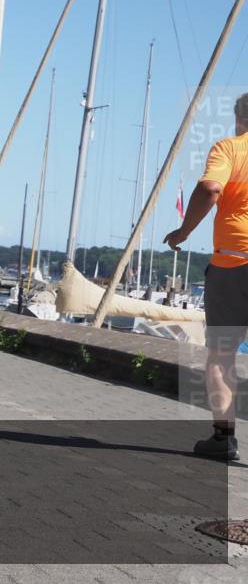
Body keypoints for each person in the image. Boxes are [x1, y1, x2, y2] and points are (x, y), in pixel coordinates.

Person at [165, 92, 248, 461]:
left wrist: (183, 232)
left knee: (221, 354)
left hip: (234, 263)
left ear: (239, 118)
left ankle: (222, 439)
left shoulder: (230, 149)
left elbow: (211, 188)